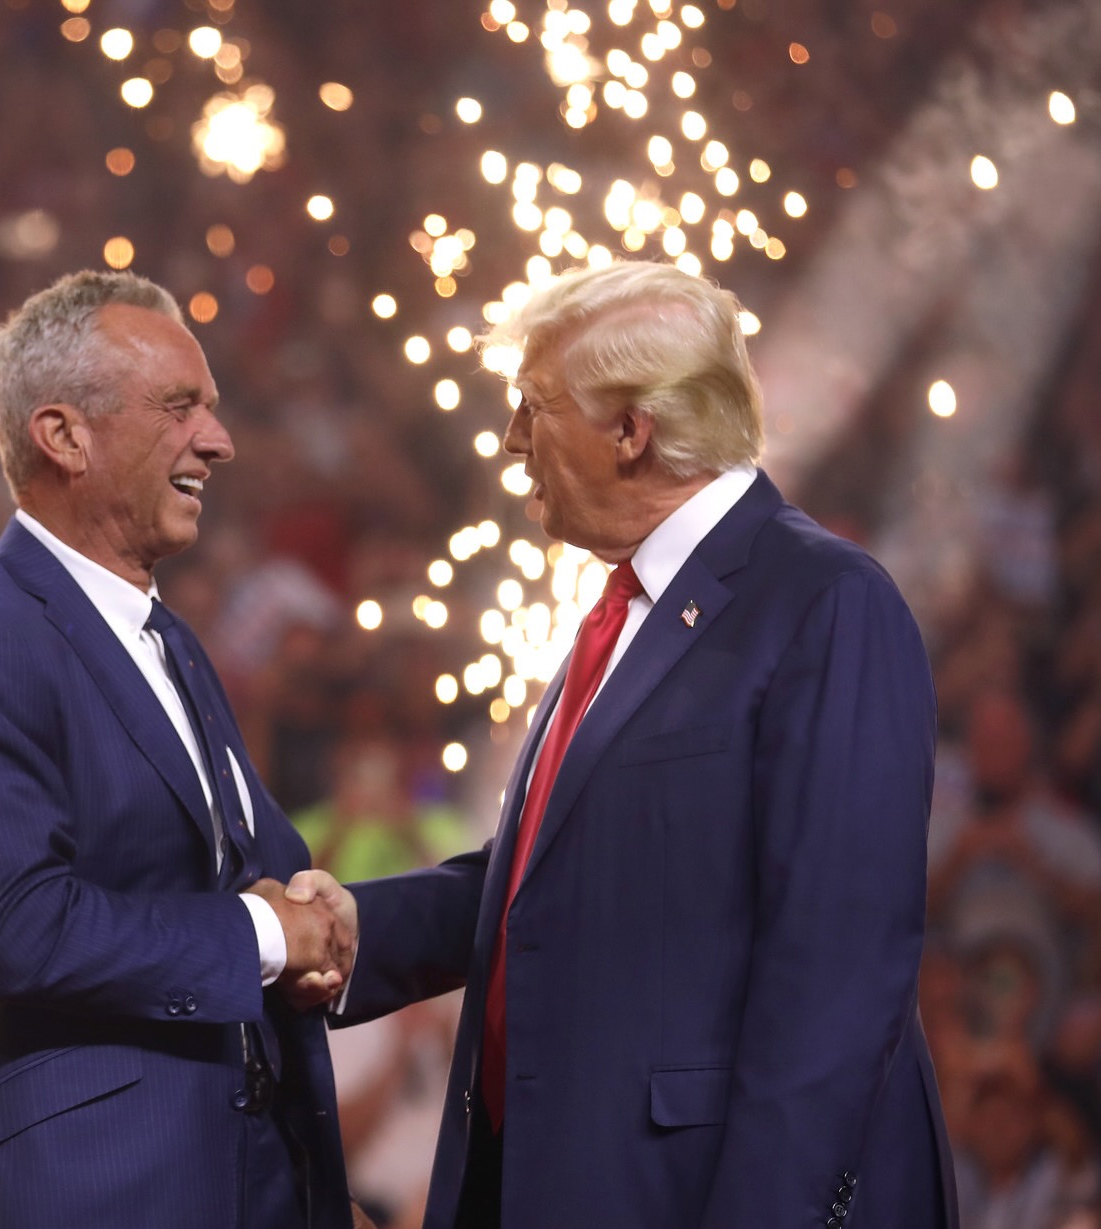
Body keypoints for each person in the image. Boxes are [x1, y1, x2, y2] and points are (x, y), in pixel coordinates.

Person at [318, 261, 957, 1227]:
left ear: (632, 429)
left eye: (534, 407)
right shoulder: (622, 617)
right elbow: (545, 886)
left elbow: (838, 976)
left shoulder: (825, 602)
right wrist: (350, 932)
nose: (510, 441)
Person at [0, 270, 360, 1228]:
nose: (217, 441)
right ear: (64, 436)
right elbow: (19, 930)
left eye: (211, 410)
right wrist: (268, 936)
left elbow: (269, 890)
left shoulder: (169, 640)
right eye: (181, 408)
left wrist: (359, 912)